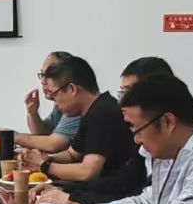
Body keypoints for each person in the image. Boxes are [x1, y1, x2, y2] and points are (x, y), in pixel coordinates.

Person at [64, 73, 193, 204]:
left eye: (137, 129)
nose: (136, 140)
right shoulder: (171, 151)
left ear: (168, 122)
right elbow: (152, 200)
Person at [15, 56, 134, 189]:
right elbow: (72, 155)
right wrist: (42, 159)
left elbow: (88, 172)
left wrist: (45, 165)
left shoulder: (103, 112)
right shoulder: (90, 110)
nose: (55, 103)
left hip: (112, 191)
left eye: (54, 95)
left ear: (72, 89)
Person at [16, 51, 79, 153]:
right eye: (42, 74)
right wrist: (33, 113)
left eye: (49, 75)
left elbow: (53, 144)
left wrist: (12, 137)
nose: (42, 81)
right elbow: (43, 135)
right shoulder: (59, 105)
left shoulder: (76, 105)